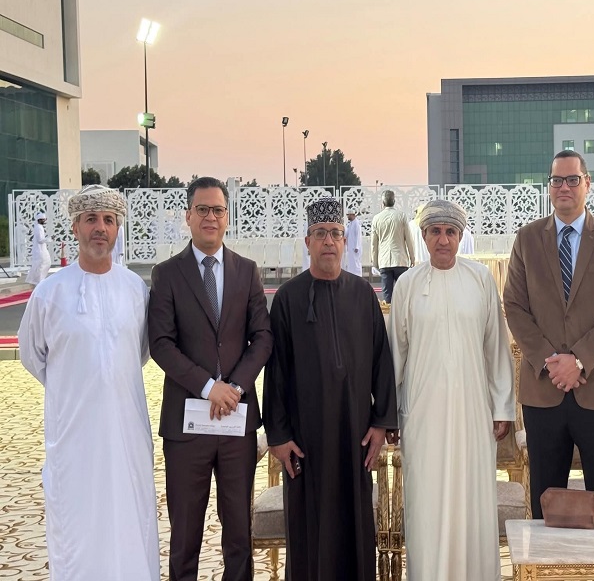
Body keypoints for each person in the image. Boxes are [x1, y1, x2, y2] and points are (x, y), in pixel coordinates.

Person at [18, 185, 159, 580]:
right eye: (92, 219)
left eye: (109, 220)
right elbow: (33, 355)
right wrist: (76, 388)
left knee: (131, 518)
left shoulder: (136, 290)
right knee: (78, 524)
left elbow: (141, 351)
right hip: (74, 436)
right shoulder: (50, 293)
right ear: (76, 227)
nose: (101, 228)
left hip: (127, 432)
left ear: (118, 230)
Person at [264, 197, 397, 581]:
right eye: (320, 234)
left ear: (345, 241)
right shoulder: (288, 299)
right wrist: (279, 436)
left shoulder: (363, 295)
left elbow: (381, 363)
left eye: (335, 234)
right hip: (306, 442)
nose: (328, 242)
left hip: (354, 436)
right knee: (309, 530)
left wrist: (379, 424)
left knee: (355, 526)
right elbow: (275, 374)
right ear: (307, 241)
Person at [148, 176, 273, 581]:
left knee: (239, 532)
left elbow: (262, 338)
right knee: (186, 534)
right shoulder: (167, 274)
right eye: (202, 209)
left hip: (236, 423)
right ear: (188, 215)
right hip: (187, 427)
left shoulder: (247, 271)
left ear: (227, 217)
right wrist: (208, 387)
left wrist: (234, 388)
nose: (210, 217)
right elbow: (162, 344)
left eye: (218, 210)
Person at [503, 150, 594, 519]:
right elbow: (514, 305)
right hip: (543, 391)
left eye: (572, 179)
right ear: (549, 187)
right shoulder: (527, 239)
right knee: (546, 503)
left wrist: (578, 361)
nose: (564, 187)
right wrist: (551, 362)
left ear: (587, 184)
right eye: (557, 180)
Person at [388, 200, 514, 581]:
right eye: (435, 232)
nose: (443, 240)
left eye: (450, 232)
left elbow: (496, 347)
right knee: (427, 502)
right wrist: (389, 413)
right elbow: (395, 352)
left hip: (473, 412)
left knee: (470, 500)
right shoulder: (408, 284)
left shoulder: (479, 279)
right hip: (422, 416)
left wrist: (502, 407)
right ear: (424, 236)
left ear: (460, 236)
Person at [371, 189, 415, 303]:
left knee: (387, 296)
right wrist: (412, 258)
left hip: (384, 261)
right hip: (400, 260)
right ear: (394, 201)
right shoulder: (401, 216)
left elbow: (374, 244)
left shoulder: (376, 219)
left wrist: (375, 263)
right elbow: (409, 239)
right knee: (403, 294)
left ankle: (390, 318)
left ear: (382, 203)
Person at [26, 212, 50, 285]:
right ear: (39, 220)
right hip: (40, 250)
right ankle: (39, 281)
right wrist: (49, 239)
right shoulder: (39, 227)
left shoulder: (39, 227)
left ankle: (38, 280)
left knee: (43, 264)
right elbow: (40, 240)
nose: (44, 221)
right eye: (42, 219)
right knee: (42, 264)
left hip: (41, 249)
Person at [343, 208, 362, 275]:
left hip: (355, 248)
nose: (348, 216)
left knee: (356, 263)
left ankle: (358, 276)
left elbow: (358, 236)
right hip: (350, 247)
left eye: (348, 215)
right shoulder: (351, 223)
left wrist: (357, 247)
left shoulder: (356, 223)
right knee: (351, 263)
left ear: (352, 215)